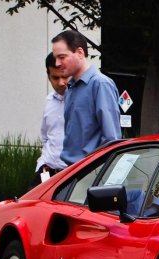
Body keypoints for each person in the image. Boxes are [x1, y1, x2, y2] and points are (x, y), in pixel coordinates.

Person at [51, 30, 121, 166]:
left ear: (80, 53)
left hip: (90, 173)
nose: (57, 63)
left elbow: (112, 140)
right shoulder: (71, 87)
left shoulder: (101, 84)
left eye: (62, 57)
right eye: (56, 58)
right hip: (71, 172)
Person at [29, 52, 70, 189]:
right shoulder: (49, 102)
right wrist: (41, 164)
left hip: (72, 173)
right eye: (55, 77)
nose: (61, 83)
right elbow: (46, 137)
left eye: (64, 76)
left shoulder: (81, 101)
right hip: (47, 171)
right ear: (48, 77)